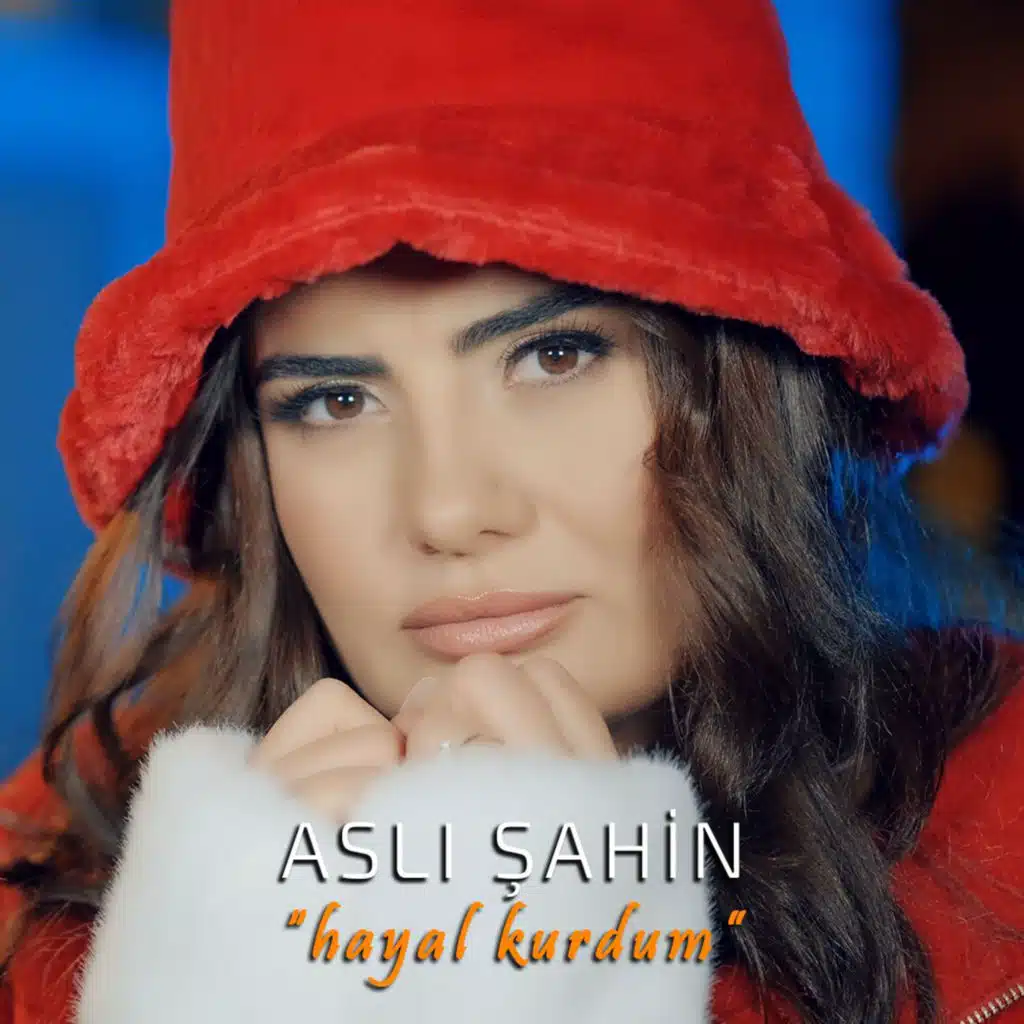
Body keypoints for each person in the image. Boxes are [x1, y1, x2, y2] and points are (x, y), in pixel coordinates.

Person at [1, 1, 1023, 1022]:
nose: (449, 511)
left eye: (554, 356)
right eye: (336, 401)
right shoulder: (51, 926)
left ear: (745, 369)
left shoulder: (1001, 832)